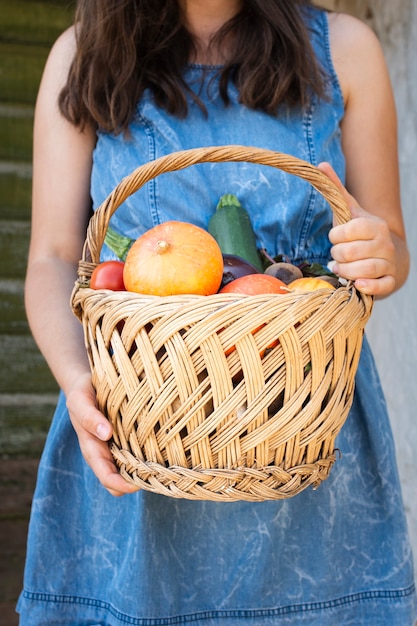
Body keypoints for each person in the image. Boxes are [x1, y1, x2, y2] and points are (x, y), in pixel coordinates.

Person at [18, 0, 417, 624]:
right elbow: (52, 256)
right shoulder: (80, 55)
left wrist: (380, 253)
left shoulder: (345, 50)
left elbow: (388, 239)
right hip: (142, 427)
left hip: (306, 441)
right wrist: (77, 380)